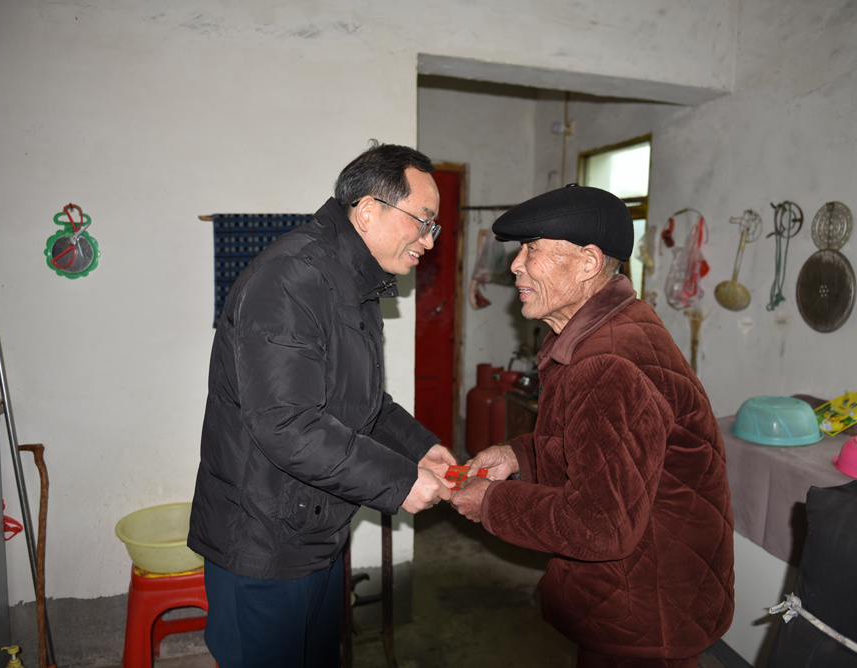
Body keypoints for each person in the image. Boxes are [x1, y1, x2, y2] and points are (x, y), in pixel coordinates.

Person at [189, 143, 456, 668]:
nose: (429, 240)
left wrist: (421, 450)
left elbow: (362, 403)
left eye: (434, 226)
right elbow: (289, 424)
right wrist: (400, 481)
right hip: (262, 544)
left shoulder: (355, 283)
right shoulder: (290, 279)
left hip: (314, 532)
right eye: (423, 221)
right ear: (369, 210)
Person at [451, 184, 734, 668]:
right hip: (647, 590)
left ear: (587, 262)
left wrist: (492, 502)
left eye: (533, 249)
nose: (516, 265)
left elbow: (599, 525)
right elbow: (603, 449)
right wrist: (517, 454)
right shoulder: (615, 325)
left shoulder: (608, 363)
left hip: (646, 608)